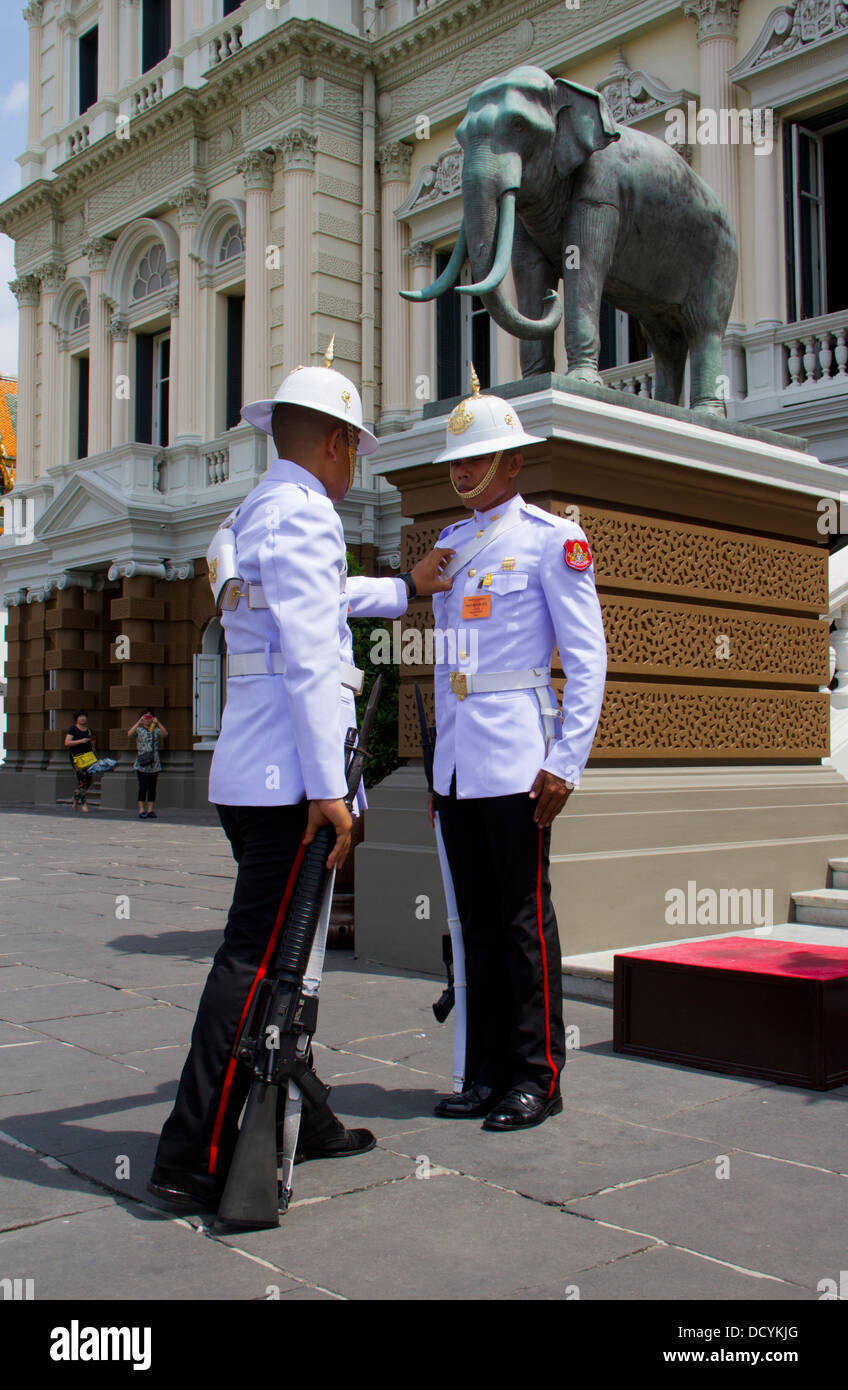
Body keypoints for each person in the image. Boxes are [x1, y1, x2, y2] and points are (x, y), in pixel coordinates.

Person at [148, 343, 452, 1213]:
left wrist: (402, 588)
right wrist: (330, 789)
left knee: (292, 959)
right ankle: (194, 1151)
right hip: (292, 787)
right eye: (352, 442)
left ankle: (301, 1110)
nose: (354, 458)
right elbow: (316, 656)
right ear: (331, 445)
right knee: (256, 965)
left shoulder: (251, 515)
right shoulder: (309, 515)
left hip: (251, 775)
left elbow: (313, 604)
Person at [428, 369, 608, 1131]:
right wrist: (440, 762)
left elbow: (588, 657)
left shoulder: (552, 540)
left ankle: (538, 1076)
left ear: (515, 462)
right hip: (460, 764)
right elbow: (444, 666)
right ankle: (485, 1071)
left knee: (523, 923)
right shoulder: (446, 544)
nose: (464, 470)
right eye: (458, 460)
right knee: (474, 924)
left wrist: (566, 761)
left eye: (481, 457)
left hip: (518, 759)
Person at [128, 709, 168, 819]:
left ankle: (150, 809)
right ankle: (141, 809)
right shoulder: (139, 730)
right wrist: (139, 722)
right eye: (145, 717)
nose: (147, 720)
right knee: (143, 786)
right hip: (142, 761)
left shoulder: (155, 730)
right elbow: (130, 734)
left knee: (152, 787)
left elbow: (165, 734)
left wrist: (158, 722)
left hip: (154, 761)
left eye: (149, 717)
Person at [64, 711, 97, 813]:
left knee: (89, 780)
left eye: (84, 717)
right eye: (80, 717)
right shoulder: (73, 729)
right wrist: (80, 741)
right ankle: (83, 804)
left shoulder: (89, 730)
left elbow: (93, 744)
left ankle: (76, 796)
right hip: (77, 758)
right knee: (82, 780)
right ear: (76, 719)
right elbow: (67, 742)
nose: (83, 719)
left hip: (88, 758)